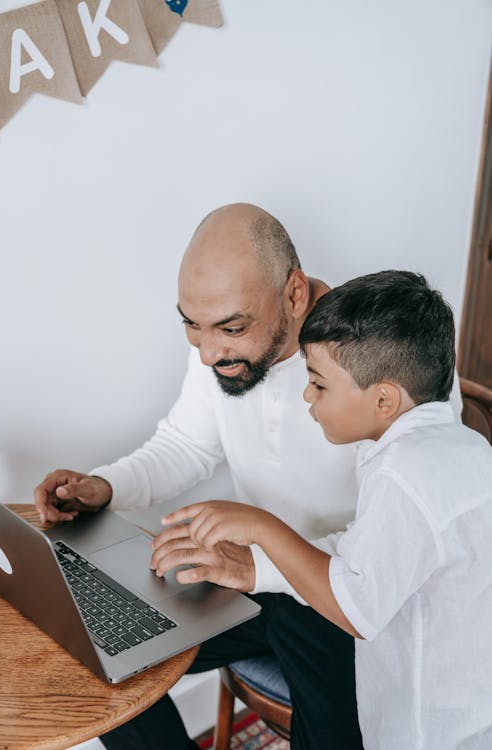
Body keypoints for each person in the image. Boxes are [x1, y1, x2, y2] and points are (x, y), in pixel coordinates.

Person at [35, 203, 365, 749]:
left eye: (231, 328)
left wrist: (262, 561)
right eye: (192, 325)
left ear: (295, 294)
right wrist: (106, 487)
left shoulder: (381, 356)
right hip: (251, 580)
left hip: (340, 591)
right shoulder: (221, 343)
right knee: (101, 648)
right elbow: (187, 443)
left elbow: (395, 538)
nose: (209, 351)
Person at [155, 271, 492, 750]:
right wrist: (258, 566)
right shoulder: (460, 446)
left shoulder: (403, 473)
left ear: (383, 399)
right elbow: (369, 552)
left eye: (318, 384)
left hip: (426, 728)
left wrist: (262, 528)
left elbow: (355, 608)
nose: (307, 397)